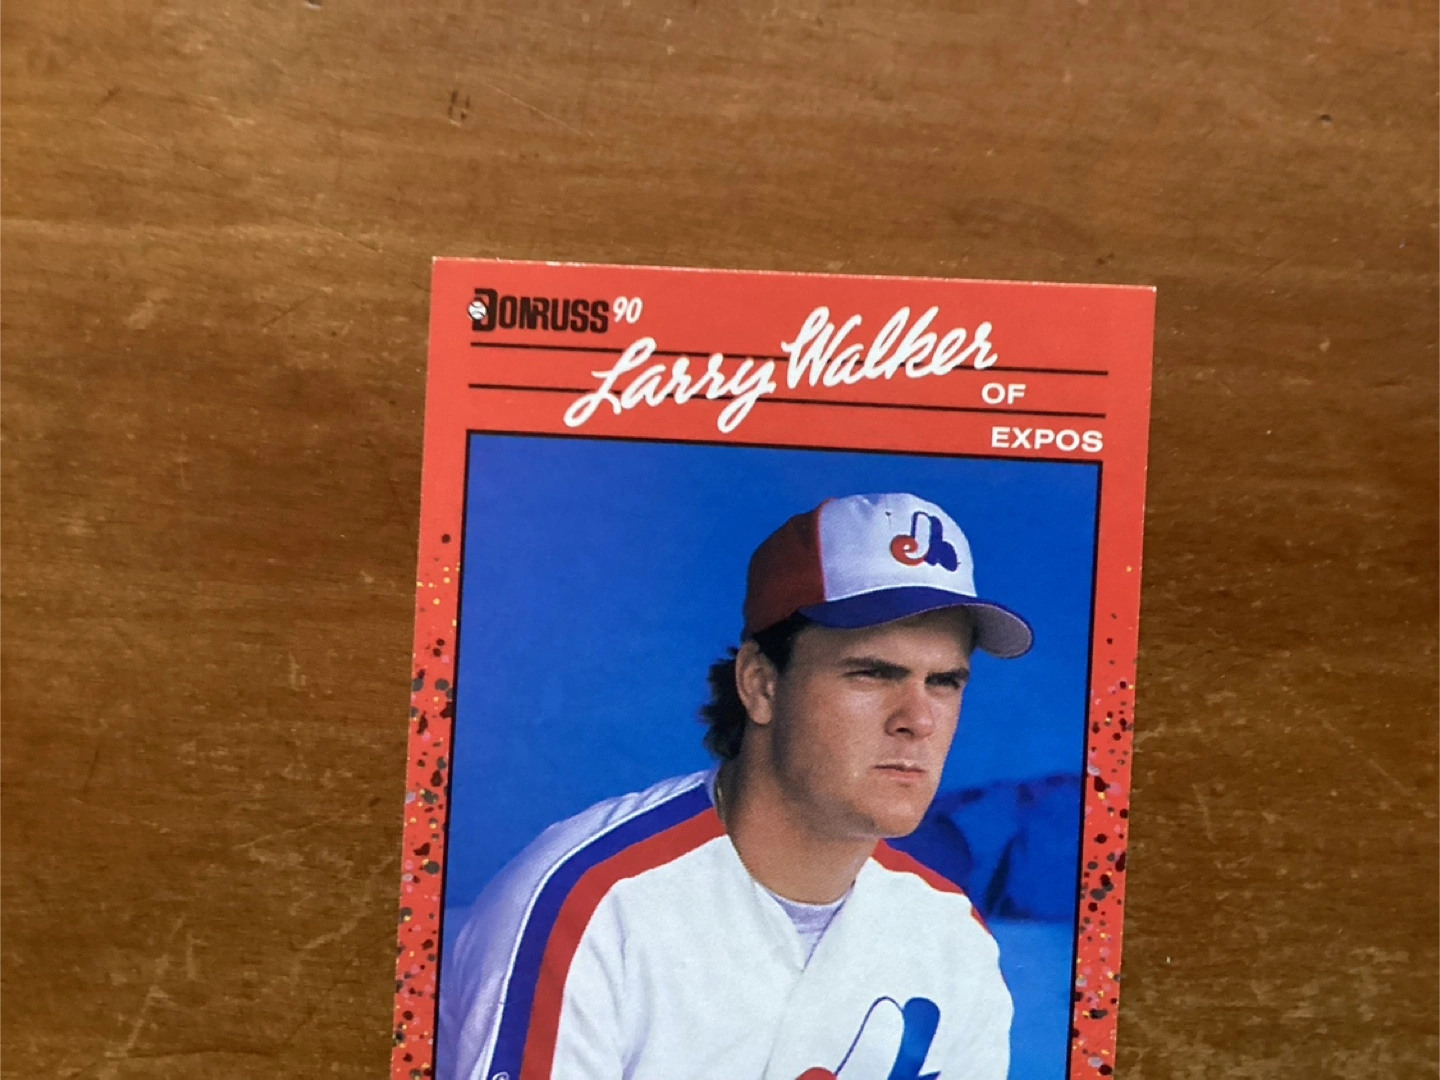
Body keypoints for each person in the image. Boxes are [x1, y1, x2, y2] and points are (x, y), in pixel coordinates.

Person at [438, 492, 1033, 1080]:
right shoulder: (591, 905)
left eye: (945, 682)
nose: (918, 719)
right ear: (760, 684)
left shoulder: (953, 940)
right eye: (873, 673)